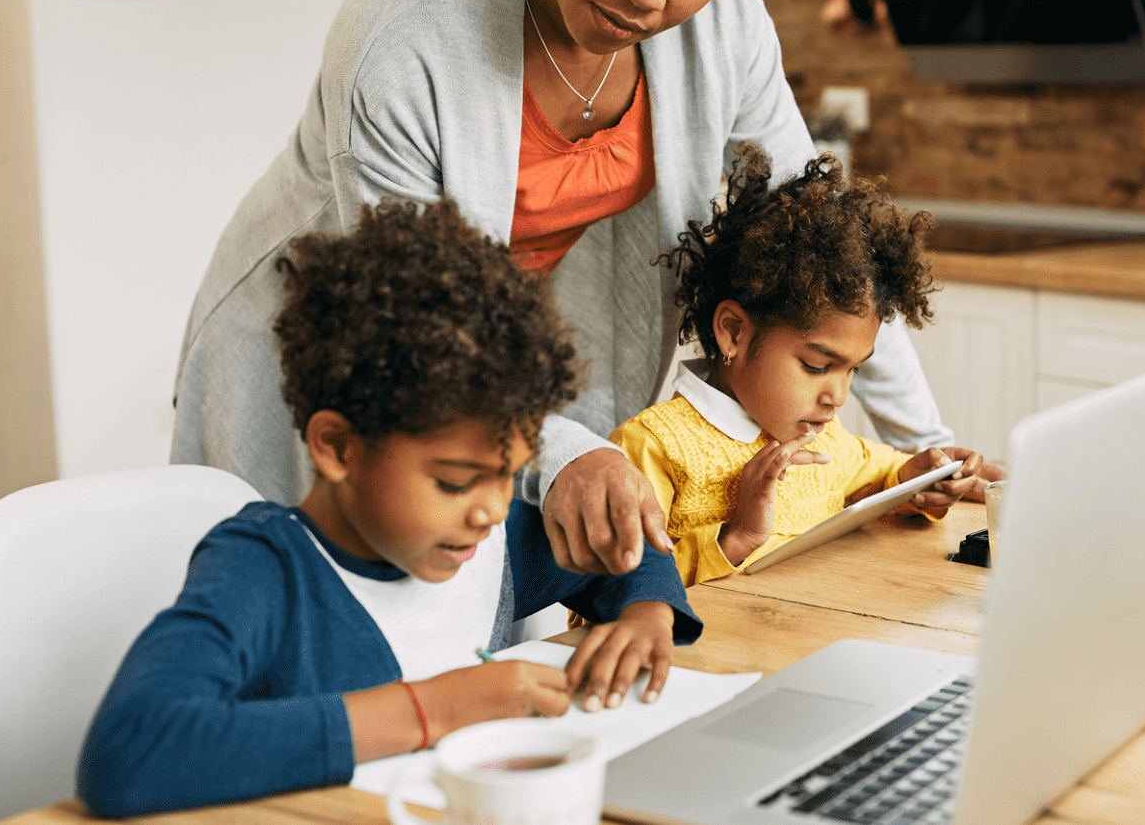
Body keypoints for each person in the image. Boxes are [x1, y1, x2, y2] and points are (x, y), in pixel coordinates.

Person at [172, 0, 972, 579]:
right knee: (315, 612)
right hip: (339, 340)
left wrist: (925, 449)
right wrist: (563, 452)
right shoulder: (403, 45)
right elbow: (419, 316)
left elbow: (836, 254)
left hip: (502, 347)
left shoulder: (727, 29)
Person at [79, 199, 697, 819]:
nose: (493, 509)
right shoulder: (267, 572)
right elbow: (130, 749)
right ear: (339, 447)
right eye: (457, 482)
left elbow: (621, 555)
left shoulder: (486, 543)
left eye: (510, 475)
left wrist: (646, 617)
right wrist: (432, 708)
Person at [612, 147, 985, 586]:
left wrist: (921, 479)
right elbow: (608, 600)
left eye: (853, 370)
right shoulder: (650, 448)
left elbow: (881, 476)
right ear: (733, 332)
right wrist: (736, 538)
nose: (839, 397)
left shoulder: (826, 438)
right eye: (815, 366)